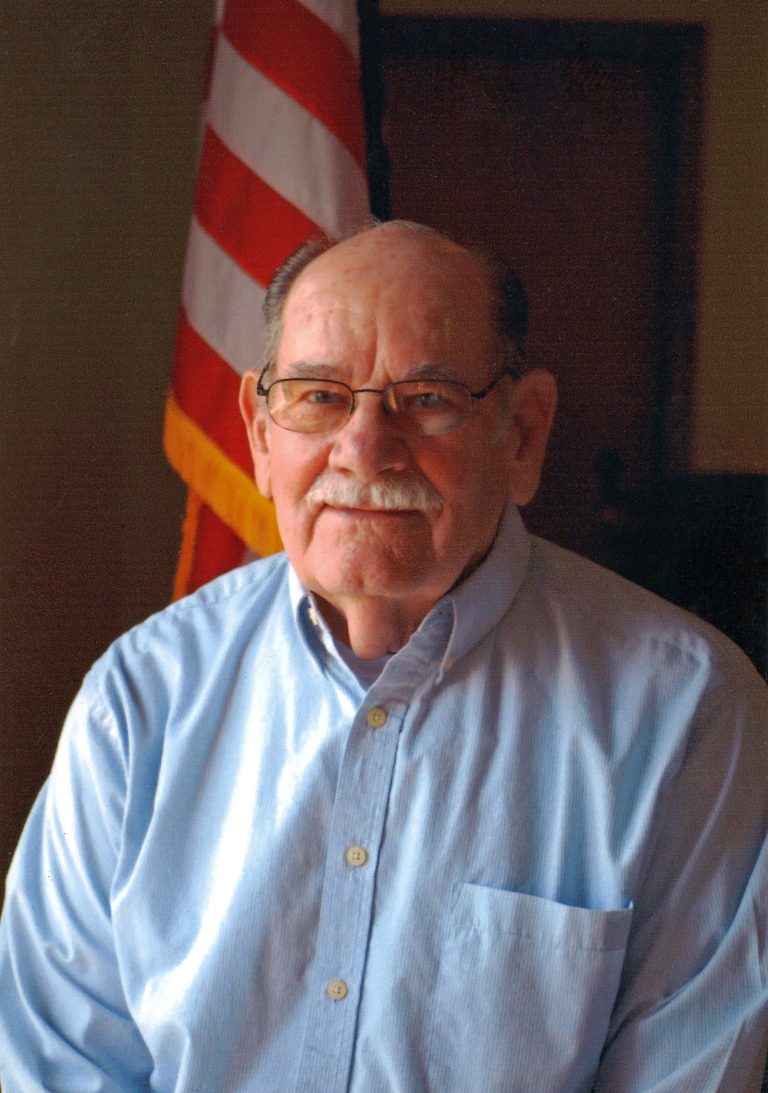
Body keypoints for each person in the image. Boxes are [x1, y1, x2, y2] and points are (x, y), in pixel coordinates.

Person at [0, 220, 766, 1091]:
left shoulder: (690, 719)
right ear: (260, 434)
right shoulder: (140, 701)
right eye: (318, 396)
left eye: (428, 397)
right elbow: (54, 1065)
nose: (365, 446)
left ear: (522, 434)